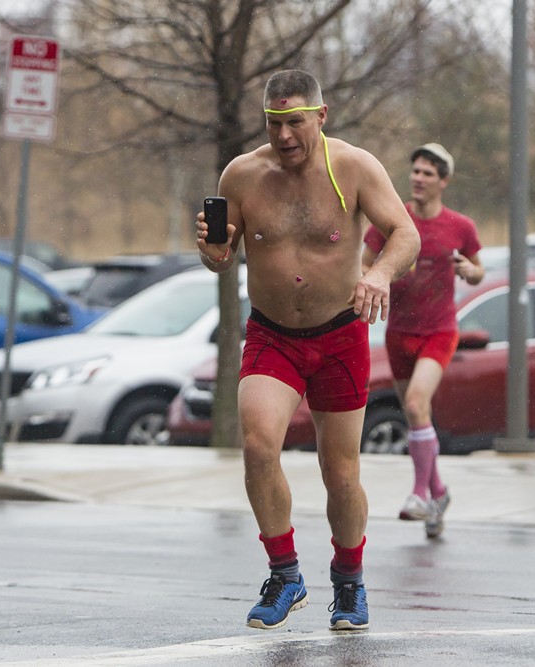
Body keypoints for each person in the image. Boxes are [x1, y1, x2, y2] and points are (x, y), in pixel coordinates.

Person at [196, 69, 419, 632]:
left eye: (295, 122)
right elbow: (221, 257)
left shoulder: (354, 166)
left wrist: (381, 276)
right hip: (273, 335)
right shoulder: (241, 175)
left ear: (321, 116)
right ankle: (285, 572)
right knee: (256, 445)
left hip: (340, 333)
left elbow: (406, 235)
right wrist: (212, 249)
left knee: (340, 473)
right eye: (274, 124)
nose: (285, 136)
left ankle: (349, 583)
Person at [362, 143, 484, 539]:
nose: (418, 178)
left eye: (428, 173)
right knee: (417, 415)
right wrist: (385, 271)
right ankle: (439, 493)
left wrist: (470, 270)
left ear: (443, 181)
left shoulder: (459, 226)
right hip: (398, 331)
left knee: (415, 403)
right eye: (415, 171)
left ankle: (418, 495)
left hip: (439, 331)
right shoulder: (393, 221)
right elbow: (364, 263)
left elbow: (480, 271)